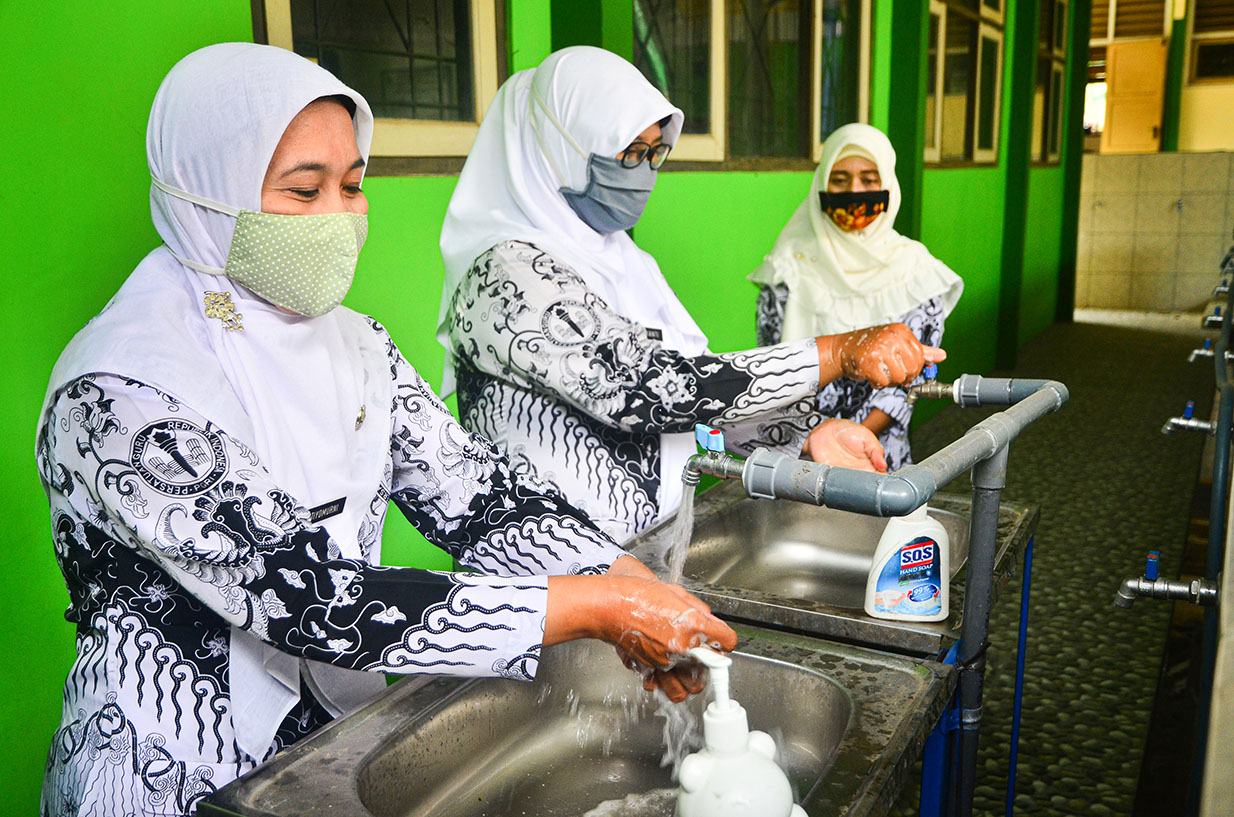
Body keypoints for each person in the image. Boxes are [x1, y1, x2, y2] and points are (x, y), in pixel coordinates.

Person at [36, 43, 735, 817]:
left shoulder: (359, 347)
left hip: (328, 755)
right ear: (206, 194)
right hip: (167, 776)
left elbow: (480, 497)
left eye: (353, 183)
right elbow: (303, 593)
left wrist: (611, 571)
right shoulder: (122, 388)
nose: (340, 217)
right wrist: (587, 606)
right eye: (304, 191)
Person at [438, 47, 944, 543]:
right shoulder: (505, 274)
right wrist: (834, 353)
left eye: (655, 154)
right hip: (552, 584)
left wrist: (807, 432)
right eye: (630, 153)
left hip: (648, 553)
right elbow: (650, 388)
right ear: (561, 144)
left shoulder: (624, 262)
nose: (645, 174)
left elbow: (697, 386)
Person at [749, 123, 964, 472]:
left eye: (868, 179)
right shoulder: (788, 267)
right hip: (796, 454)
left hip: (876, 454)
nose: (854, 191)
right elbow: (770, 366)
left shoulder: (915, 271)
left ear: (888, 186)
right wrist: (812, 440)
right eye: (839, 180)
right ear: (821, 185)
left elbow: (909, 383)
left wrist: (850, 441)